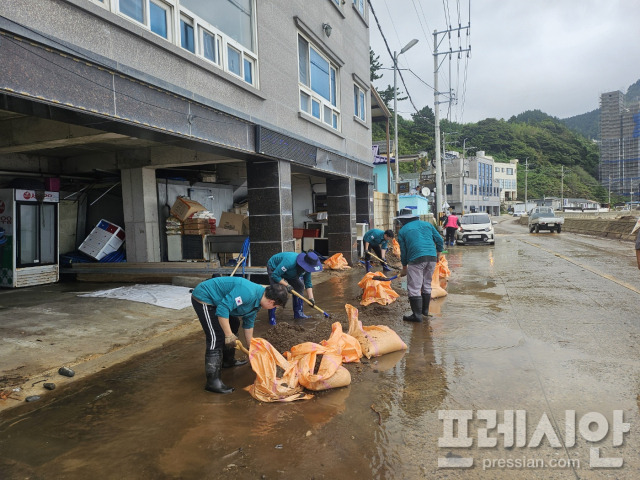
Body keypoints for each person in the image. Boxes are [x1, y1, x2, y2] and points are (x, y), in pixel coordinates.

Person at [191, 277, 288, 394]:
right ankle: (213, 382)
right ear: (271, 302)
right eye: (275, 307)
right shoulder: (247, 293)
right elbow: (223, 309)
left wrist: (250, 347)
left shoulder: (258, 301)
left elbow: (248, 323)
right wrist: (229, 335)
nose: (273, 309)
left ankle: (228, 361)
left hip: (221, 302)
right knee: (216, 337)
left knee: (234, 323)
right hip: (206, 298)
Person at [397, 215, 444, 322]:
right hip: (431, 257)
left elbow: (403, 251)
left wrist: (404, 267)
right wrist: (438, 254)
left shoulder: (403, 230)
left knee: (414, 287)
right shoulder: (427, 225)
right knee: (426, 284)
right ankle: (425, 311)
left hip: (416, 258)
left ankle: (417, 315)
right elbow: (439, 240)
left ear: (403, 220)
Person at [267, 251, 323, 323]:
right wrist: (287, 285)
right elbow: (275, 275)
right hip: (274, 268)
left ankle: (299, 313)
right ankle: (272, 317)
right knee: (277, 291)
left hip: (290, 273)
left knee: (299, 286)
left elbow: (308, 283)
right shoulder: (290, 262)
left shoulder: (307, 268)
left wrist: (311, 298)